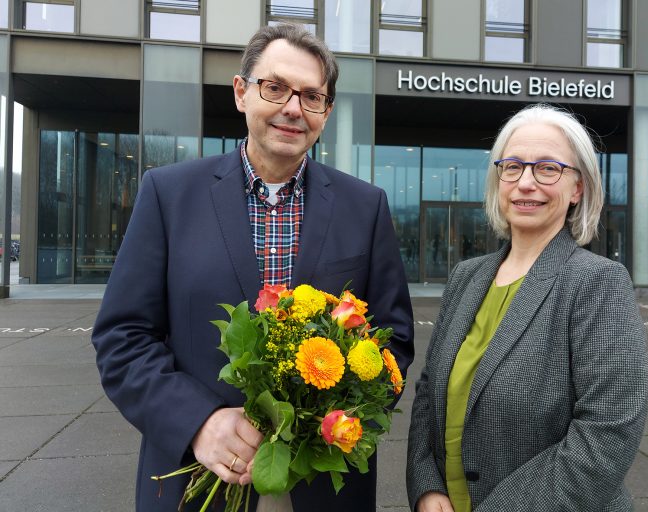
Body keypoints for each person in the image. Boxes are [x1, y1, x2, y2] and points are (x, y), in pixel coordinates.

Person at [91, 23, 414, 512]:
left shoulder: (365, 207)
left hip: (322, 489)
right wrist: (198, 421)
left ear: (325, 113)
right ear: (241, 92)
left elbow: (394, 342)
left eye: (312, 97)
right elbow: (123, 338)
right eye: (276, 87)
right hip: (196, 481)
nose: (292, 108)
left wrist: (322, 421)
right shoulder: (168, 195)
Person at [406, 104, 648, 512]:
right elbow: (429, 393)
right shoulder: (467, 277)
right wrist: (427, 487)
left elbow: (608, 432)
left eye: (548, 168)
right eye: (513, 166)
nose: (526, 182)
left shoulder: (597, 282)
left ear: (578, 188)